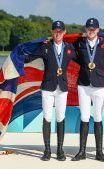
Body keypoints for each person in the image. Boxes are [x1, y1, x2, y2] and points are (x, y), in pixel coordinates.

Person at [28, 21, 76, 161]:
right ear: (52, 32)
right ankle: (47, 150)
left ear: (64, 32)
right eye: (55, 31)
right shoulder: (45, 48)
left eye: (60, 31)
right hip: (47, 88)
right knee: (47, 118)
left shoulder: (70, 48)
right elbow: (30, 57)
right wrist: (18, 53)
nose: (58, 33)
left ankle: (60, 150)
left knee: (60, 118)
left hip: (62, 88)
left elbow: (84, 61)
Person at [71, 18, 104, 162]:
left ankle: (99, 152)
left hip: (99, 85)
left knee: (98, 118)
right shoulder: (79, 44)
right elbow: (64, 43)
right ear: (85, 29)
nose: (91, 30)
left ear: (98, 30)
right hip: (83, 84)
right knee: (84, 117)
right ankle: (81, 151)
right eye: (89, 28)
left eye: (94, 28)